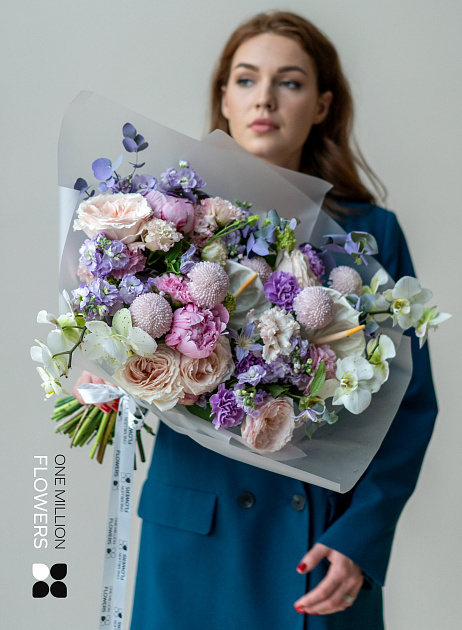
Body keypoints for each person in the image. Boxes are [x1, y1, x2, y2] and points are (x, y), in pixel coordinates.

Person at [75, 11, 438, 630]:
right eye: (246, 79)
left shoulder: (369, 233)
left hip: (319, 540)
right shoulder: (165, 216)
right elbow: (121, 356)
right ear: (224, 98)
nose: (264, 98)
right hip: (197, 540)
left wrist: (361, 538)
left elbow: (410, 403)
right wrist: (108, 373)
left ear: (322, 104)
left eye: (289, 82)